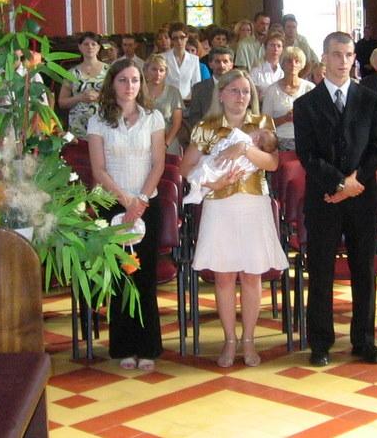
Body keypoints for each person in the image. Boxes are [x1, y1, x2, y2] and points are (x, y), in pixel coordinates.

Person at [181, 69, 287, 367]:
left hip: (253, 204)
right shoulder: (207, 127)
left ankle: (249, 340)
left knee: (252, 275)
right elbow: (185, 168)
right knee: (224, 276)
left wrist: (245, 148)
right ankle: (229, 340)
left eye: (246, 91)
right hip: (219, 206)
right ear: (221, 94)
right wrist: (211, 183)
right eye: (234, 91)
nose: (241, 97)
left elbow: (273, 163)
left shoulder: (262, 123)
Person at [294, 31, 377, 366]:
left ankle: (364, 340)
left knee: (364, 269)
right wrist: (337, 184)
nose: (343, 61)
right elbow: (307, 154)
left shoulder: (370, 99)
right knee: (321, 271)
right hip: (324, 198)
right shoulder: (305, 104)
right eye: (336, 54)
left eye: (348, 55)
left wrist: (354, 182)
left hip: (362, 197)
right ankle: (320, 342)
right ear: (324, 58)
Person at [87, 59, 165, 370]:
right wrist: (125, 200)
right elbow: (98, 169)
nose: (129, 85)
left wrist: (141, 200)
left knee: (144, 277)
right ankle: (123, 346)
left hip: (147, 204)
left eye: (134, 80)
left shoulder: (153, 117)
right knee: (119, 276)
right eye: (123, 80)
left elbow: (158, 163)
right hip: (113, 205)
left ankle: (147, 347)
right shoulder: (98, 121)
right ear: (112, 83)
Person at [183, 127, 278, 204]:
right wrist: (215, 185)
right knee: (203, 171)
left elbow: (273, 164)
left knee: (204, 172)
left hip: (252, 198)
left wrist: (243, 147)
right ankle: (198, 192)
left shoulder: (259, 127)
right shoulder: (207, 125)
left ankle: (197, 191)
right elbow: (184, 168)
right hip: (216, 197)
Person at [261, 46, 314, 151]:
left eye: (297, 61)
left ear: (302, 65)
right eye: (289, 61)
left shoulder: (310, 88)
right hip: (279, 141)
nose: (293, 64)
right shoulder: (272, 90)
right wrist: (285, 119)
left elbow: (318, 119)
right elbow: (265, 124)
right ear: (282, 64)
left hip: (307, 140)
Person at [58, 32, 109, 138]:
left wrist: (99, 97)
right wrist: (79, 98)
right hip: (78, 128)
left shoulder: (110, 71)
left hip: (104, 124)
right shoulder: (71, 73)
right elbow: (62, 102)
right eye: (86, 44)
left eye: (93, 44)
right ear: (80, 47)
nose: (90, 47)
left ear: (99, 47)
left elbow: (119, 97)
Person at [186, 46, 235, 132]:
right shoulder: (199, 88)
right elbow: (194, 117)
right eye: (217, 61)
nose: (221, 65)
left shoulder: (238, 88)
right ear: (210, 64)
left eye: (225, 61)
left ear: (231, 65)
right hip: (206, 133)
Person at [144, 54, 184, 156]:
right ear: (146, 71)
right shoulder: (139, 91)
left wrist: (165, 145)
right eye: (154, 69)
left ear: (166, 73)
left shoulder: (173, 92)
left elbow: (177, 124)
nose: (158, 74)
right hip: (143, 141)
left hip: (168, 140)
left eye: (161, 70)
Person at [164, 23, 202, 100]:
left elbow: (196, 84)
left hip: (188, 101)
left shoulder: (194, 59)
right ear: (171, 40)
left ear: (187, 38)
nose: (179, 41)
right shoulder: (163, 57)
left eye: (182, 37)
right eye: (175, 38)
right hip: (167, 100)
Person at [250, 31, 285, 96]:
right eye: (272, 45)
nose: (276, 49)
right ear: (266, 47)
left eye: (279, 46)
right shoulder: (256, 71)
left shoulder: (284, 73)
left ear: (282, 49)